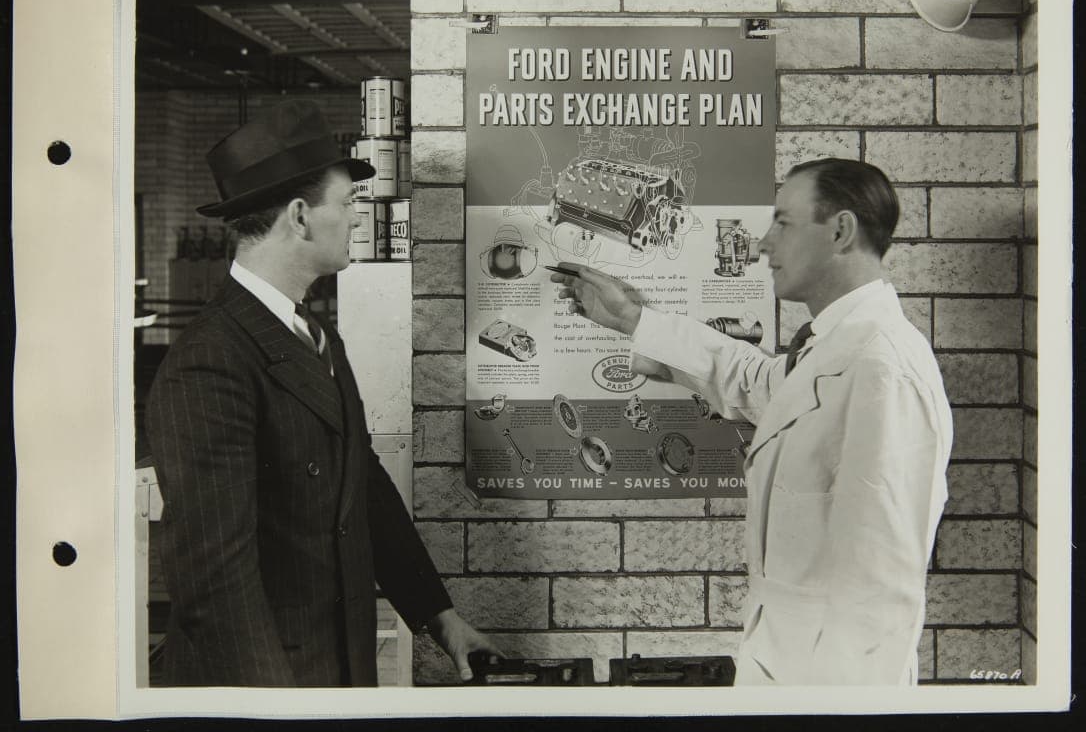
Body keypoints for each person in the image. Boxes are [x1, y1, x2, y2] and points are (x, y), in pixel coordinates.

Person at [551, 158, 952, 685]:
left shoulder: (883, 369)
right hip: (785, 667)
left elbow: (881, 590)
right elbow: (760, 384)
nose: (762, 244)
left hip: (829, 692)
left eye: (783, 223)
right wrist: (632, 318)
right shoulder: (837, 346)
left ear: (841, 231)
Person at [147, 100, 500, 686]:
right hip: (266, 684)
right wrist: (283, 710)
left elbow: (361, 488)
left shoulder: (316, 337)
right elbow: (214, 580)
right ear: (299, 217)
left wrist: (439, 618)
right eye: (348, 203)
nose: (358, 219)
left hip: (334, 668)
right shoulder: (211, 361)